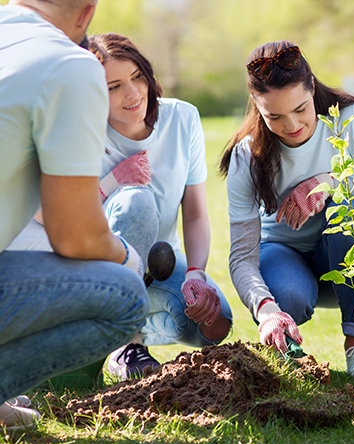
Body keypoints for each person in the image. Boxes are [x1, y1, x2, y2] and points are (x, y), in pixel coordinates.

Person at [10, 32, 235, 379]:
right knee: (137, 201)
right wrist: (114, 181)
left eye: (137, 77)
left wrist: (196, 274)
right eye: (113, 86)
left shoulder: (182, 118)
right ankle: (125, 342)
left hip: (156, 268)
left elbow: (195, 213)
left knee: (216, 324)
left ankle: (118, 338)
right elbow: (43, 212)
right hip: (97, 269)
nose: (132, 93)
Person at [0, 0, 149, 430]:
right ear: (86, 13)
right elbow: (75, 235)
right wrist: (129, 258)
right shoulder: (69, 64)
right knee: (125, 295)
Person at [220, 40, 354, 379]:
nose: (292, 126)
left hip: (349, 257)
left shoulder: (351, 121)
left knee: (351, 209)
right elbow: (242, 257)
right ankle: (287, 351)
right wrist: (266, 309)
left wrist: (328, 182)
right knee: (287, 297)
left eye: (300, 109)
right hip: (284, 257)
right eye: (275, 116)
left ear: (311, 87)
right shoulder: (247, 155)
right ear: (256, 104)